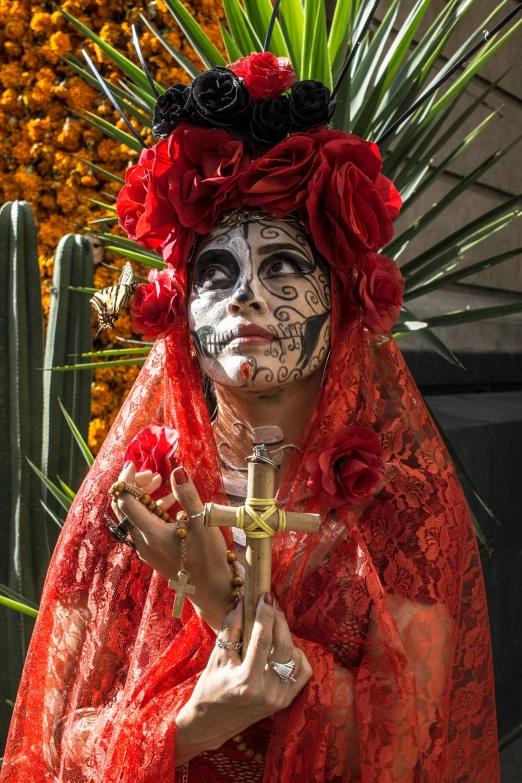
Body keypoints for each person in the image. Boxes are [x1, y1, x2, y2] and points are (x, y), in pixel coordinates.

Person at [0, 52, 498, 783]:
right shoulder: (139, 502)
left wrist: (212, 594)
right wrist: (194, 725)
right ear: (182, 309)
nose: (246, 298)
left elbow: (400, 749)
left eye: (284, 268)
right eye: (217, 272)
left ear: (343, 299)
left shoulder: (404, 506)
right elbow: (54, 738)